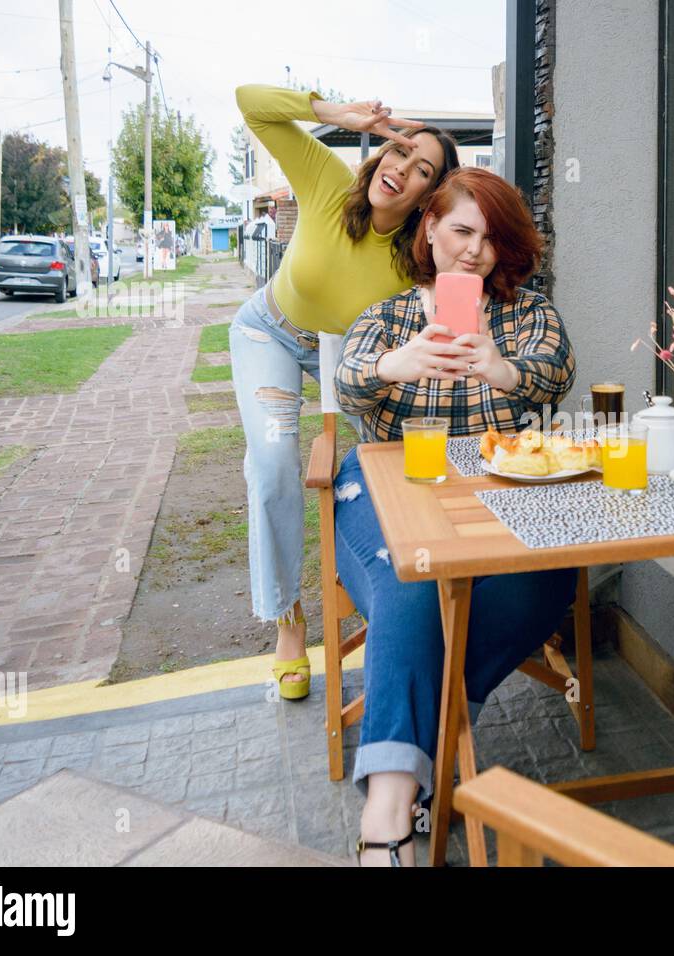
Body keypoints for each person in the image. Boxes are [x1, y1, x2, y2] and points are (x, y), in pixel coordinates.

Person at [333, 167, 578, 866]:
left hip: (501, 485)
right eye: (462, 231)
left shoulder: (527, 314)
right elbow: (347, 379)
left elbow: (555, 371)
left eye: (490, 238)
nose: (474, 251)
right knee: (413, 580)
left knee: (547, 575)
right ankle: (387, 816)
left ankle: (411, 750)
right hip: (388, 483)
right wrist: (396, 364)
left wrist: (502, 370)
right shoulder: (388, 317)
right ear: (431, 229)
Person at [229, 84, 460, 702]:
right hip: (271, 333)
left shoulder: (417, 258)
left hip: (351, 359)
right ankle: (287, 620)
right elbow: (249, 101)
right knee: (275, 463)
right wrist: (334, 113)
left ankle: (394, 594)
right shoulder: (329, 182)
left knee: (388, 465)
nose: (401, 170)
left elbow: (471, 265)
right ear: (381, 152)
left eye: (422, 171)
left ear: (428, 196)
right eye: (400, 152)